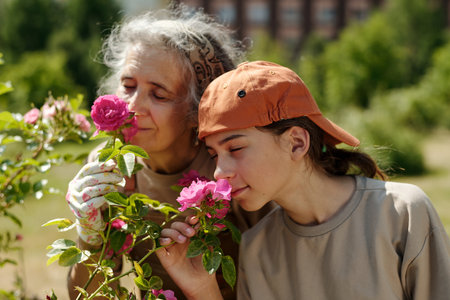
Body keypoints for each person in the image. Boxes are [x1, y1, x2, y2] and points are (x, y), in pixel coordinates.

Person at [156, 61, 450, 300]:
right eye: (214, 154)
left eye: (235, 149)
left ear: (296, 142)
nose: (220, 172)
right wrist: (203, 291)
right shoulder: (256, 247)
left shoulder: (402, 213)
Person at [65, 7, 275, 300]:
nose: (133, 106)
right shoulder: (110, 166)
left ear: (196, 109)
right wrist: (90, 236)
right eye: (128, 86)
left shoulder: (234, 166)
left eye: (159, 94)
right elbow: (93, 295)